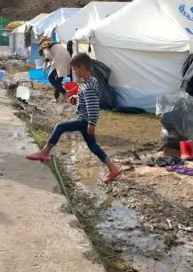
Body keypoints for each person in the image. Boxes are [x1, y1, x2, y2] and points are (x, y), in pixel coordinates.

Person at [27, 53, 123, 184]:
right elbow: (90, 99)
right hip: (85, 118)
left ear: (82, 68)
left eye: (75, 69)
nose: (73, 72)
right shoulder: (89, 81)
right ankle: (113, 169)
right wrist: (77, 99)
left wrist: (92, 123)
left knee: (60, 127)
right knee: (93, 146)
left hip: (85, 120)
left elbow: (93, 106)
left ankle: (45, 151)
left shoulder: (88, 87)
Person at [40, 38, 71, 102]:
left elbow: (48, 56)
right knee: (58, 82)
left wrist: (45, 68)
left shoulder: (44, 45)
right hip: (67, 57)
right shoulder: (55, 44)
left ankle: (65, 93)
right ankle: (57, 97)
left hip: (59, 59)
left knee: (50, 79)